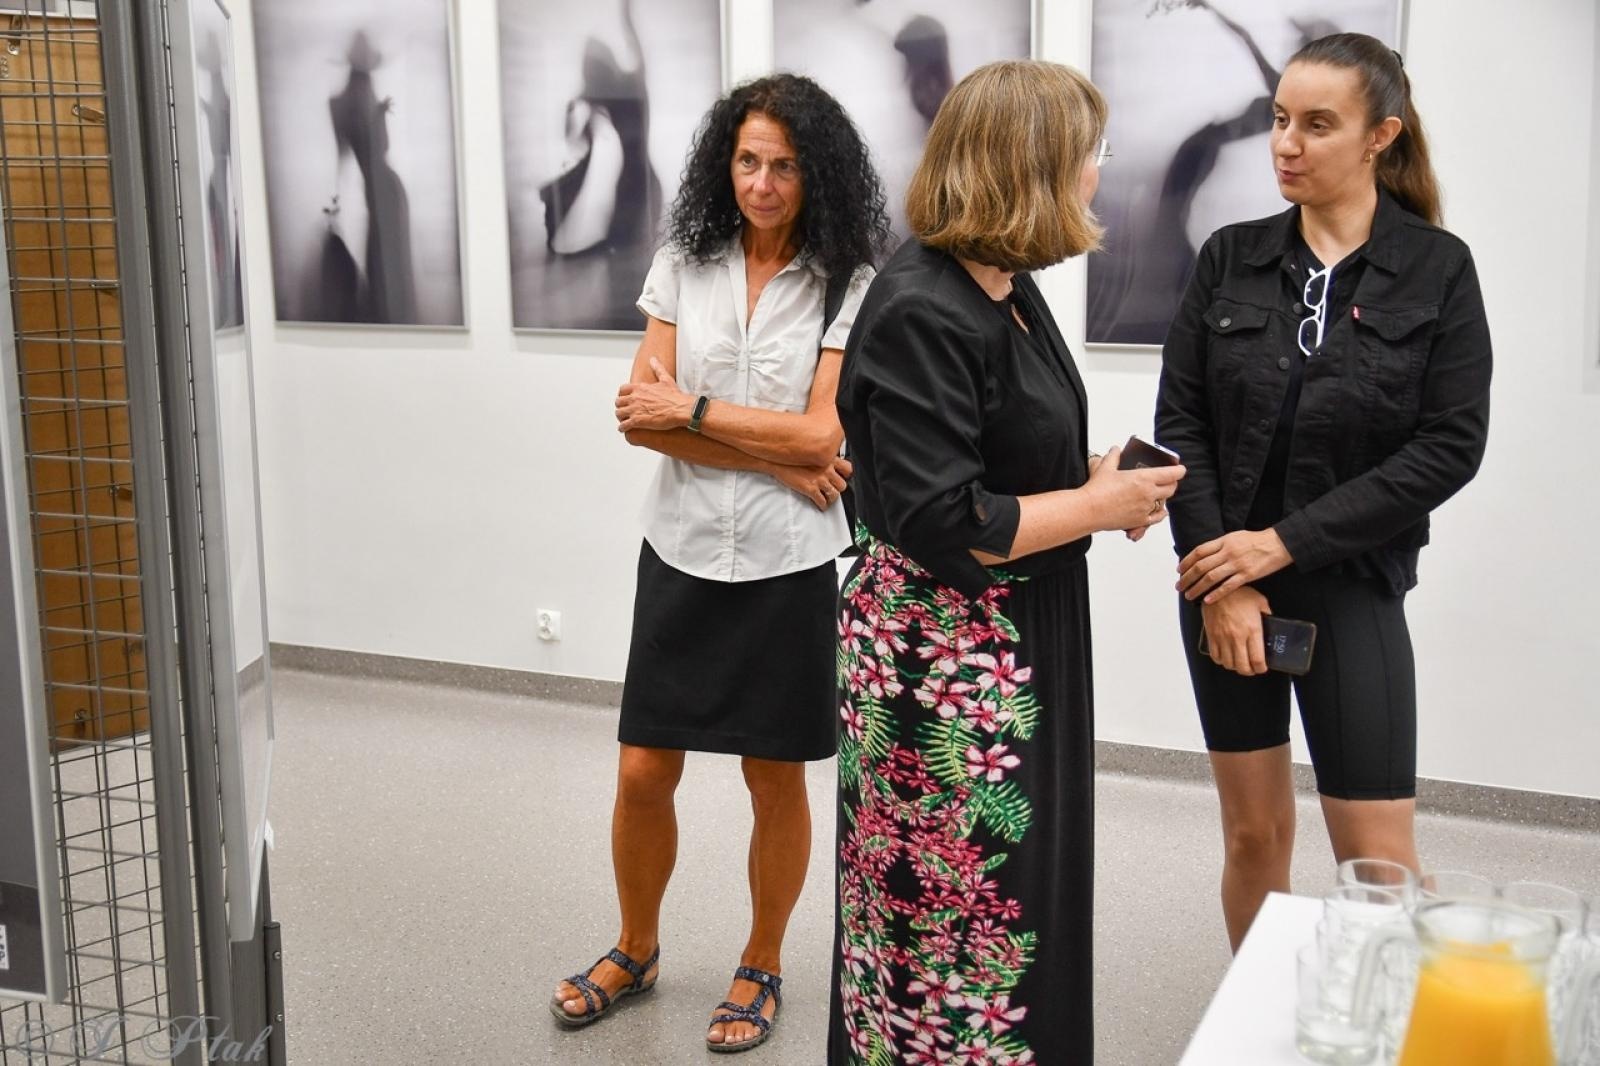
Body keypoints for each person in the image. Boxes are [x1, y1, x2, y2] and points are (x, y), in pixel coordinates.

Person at [828, 60, 1185, 1064]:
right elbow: (944, 517)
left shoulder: (1007, 288)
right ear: (1032, 165)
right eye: (1085, 153)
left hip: (1020, 639)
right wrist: (1094, 502)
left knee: (1023, 882)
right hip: (945, 670)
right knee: (956, 904)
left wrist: (1090, 478)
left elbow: (991, 456)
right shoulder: (918, 306)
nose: (1097, 172)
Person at [548, 74, 891, 1055]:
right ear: (723, 163)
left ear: (814, 172)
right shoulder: (682, 262)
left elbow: (822, 428)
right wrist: (781, 448)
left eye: (783, 165)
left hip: (788, 563)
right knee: (643, 768)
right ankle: (637, 945)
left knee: (771, 777)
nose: (763, 182)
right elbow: (638, 418)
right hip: (683, 547)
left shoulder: (847, 280)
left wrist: (694, 417)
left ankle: (762, 959)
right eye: (747, 160)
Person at [1155, 33, 1492, 951]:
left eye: (1316, 124)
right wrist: (1227, 577)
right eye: (1278, 120)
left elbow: (1449, 447)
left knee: (1377, 856)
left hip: (1350, 587)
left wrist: (1282, 545)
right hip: (1222, 586)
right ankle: (1260, 1029)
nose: (1285, 144)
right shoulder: (1230, 258)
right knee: (1254, 833)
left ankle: (1379, 1034)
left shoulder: (1438, 269)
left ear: (1381, 136)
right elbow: (1180, 429)